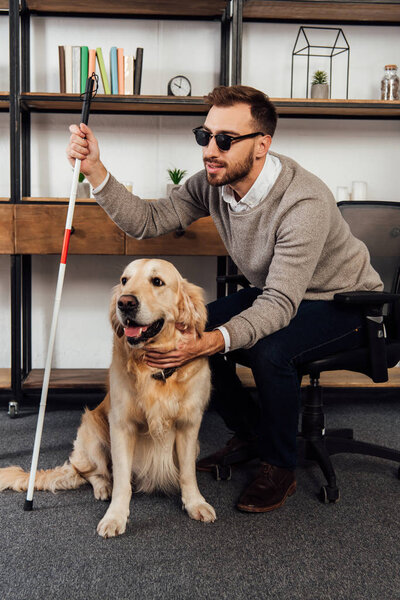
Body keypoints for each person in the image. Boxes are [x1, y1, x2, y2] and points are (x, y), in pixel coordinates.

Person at [66, 85, 383, 514]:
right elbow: (148, 220)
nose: (209, 150)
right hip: (282, 291)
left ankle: (279, 465)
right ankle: (252, 432)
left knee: (268, 351)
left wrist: (212, 341)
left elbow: (280, 306)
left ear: (262, 145)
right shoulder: (214, 183)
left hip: (348, 303)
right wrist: (95, 170)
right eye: (205, 136)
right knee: (193, 327)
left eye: (225, 140)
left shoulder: (302, 200)